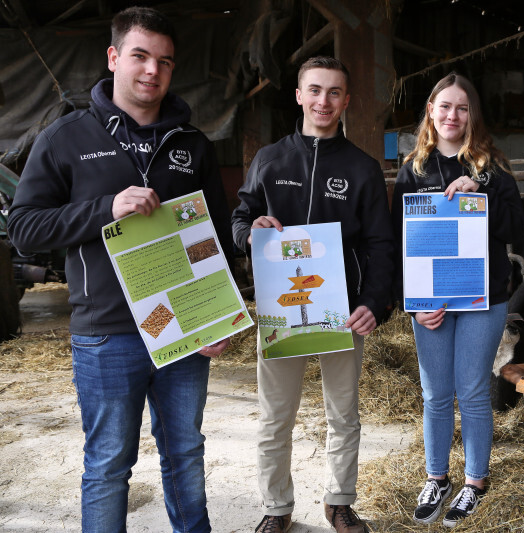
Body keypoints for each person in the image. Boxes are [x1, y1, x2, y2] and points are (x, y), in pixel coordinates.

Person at [7, 7, 232, 532]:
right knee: (108, 465)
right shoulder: (66, 138)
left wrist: (216, 316)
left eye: (165, 61)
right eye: (140, 56)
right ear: (113, 58)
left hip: (183, 331)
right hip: (107, 334)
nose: (152, 70)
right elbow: (24, 228)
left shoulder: (193, 145)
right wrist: (105, 208)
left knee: (186, 453)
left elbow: (215, 239)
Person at [231, 56, 394, 533]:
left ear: (346, 101)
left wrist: (373, 303)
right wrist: (249, 233)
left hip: (340, 310)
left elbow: (380, 243)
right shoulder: (270, 159)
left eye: (334, 92)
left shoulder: (362, 168)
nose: (324, 101)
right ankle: (276, 506)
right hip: (281, 310)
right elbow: (240, 217)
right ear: (299, 95)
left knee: (343, 414)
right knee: (274, 416)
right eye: (315, 90)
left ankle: (339, 501)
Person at [391, 72, 523, 528]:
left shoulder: (492, 168)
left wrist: (481, 194)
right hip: (430, 300)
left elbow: (516, 228)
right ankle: (437, 478)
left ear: (472, 115)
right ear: (431, 111)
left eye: (461, 108)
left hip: (482, 297)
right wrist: (411, 303)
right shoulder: (414, 171)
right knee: (435, 393)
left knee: (472, 390)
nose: (452, 115)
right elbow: (398, 242)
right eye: (444, 106)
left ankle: (475, 482)